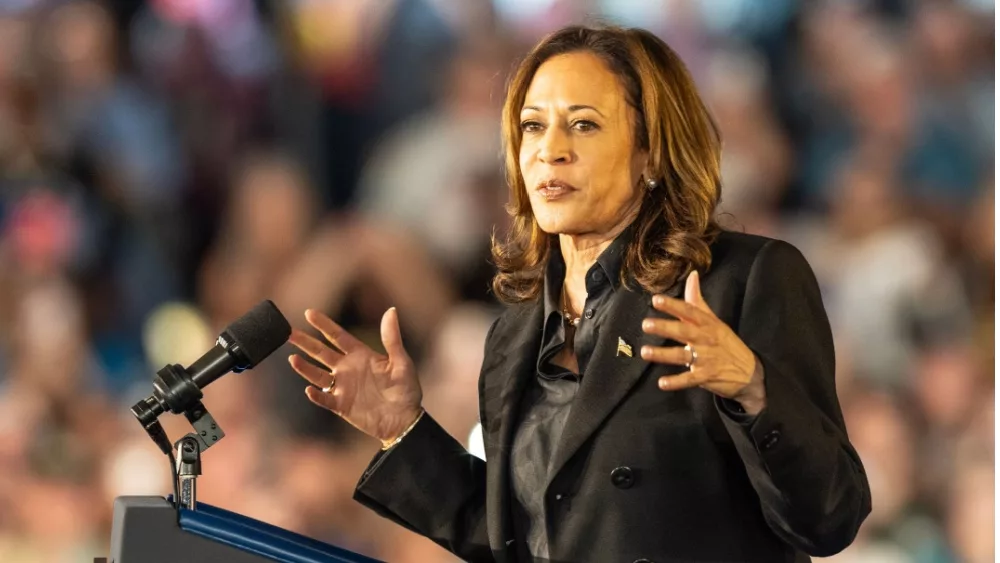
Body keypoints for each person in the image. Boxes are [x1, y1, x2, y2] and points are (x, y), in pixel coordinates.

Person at [288, 25, 871, 563]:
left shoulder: (740, 280)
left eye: (584, 124)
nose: (551, 149)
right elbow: (519, 540)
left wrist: (753, 390)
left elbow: (828, 518)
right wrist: (402, 430)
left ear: (651, 151)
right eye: (533, 126)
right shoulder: (515, 333)